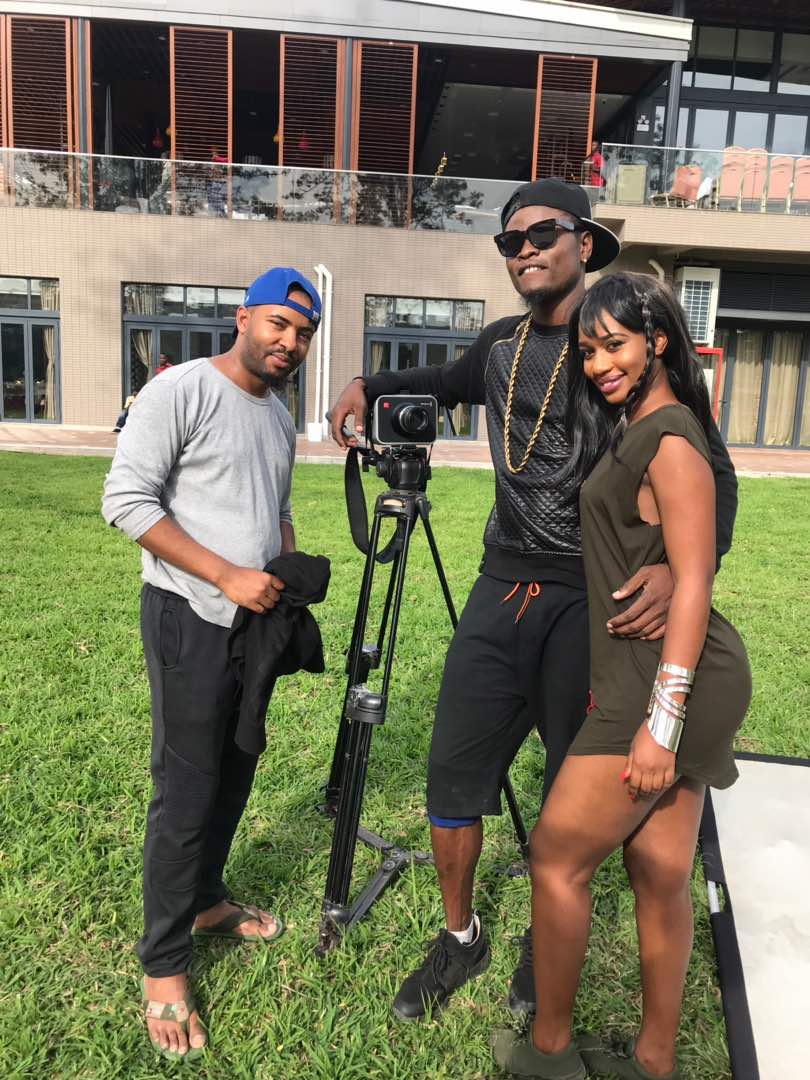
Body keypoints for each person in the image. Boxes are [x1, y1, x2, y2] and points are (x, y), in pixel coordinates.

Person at [328, 179, 738, 1023]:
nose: (523, 251)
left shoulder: (617, 346)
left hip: (591, 600)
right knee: (452, 778)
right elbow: (442, 377)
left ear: (584, 244)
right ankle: (462, 936)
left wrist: (676, 568)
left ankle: (542, 939)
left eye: (541, 234)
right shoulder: (500, 347)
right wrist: (366, 383)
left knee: (567, 786)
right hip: (498, 588)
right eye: (509, 241)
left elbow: (713, 473)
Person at [493, 271, 751, 1079]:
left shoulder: (669, 438)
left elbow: (696, 582)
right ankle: (653, 1060)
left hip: (664, 683)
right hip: (662, 671)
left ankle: (549, 1054)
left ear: (658, 342)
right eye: (589, 350)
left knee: (555, 857)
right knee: (659, 871)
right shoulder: (639, 425)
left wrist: (659, 728)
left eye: (615, 345)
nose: (600, 363)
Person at [102, 267, 322, 1061]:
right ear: (243, 318)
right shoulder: (181, 391)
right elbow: (125, 501)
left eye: (303, 334)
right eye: (278, 325)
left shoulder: (278, 416)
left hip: (253, 623)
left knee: (236, 769)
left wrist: (282, 572)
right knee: (187, 788)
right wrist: (225, 574)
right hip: (188, 617)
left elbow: (278, 508)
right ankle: (164, 965)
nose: (289, 343)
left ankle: (204, 900)